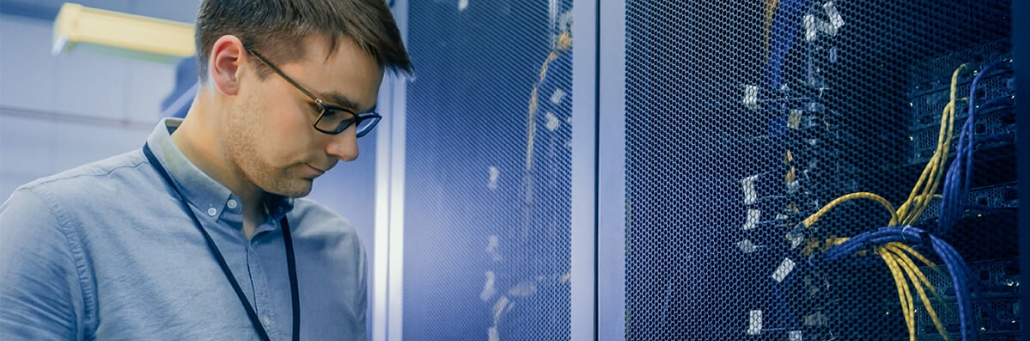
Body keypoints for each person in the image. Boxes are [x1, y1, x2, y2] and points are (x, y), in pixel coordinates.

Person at [0, 0, 411, 339]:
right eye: (329, 110)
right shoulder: (56, 229)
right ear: (231, 66)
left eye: (358, 120)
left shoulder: (339, 249)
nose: (349, 148)